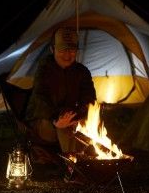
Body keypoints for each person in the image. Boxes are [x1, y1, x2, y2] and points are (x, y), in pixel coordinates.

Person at [25, 27, 96, 162]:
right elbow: (40, 98)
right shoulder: (45, 68)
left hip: (71, 118)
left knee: (77, 122)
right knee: (65, 125)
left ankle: (88, 161)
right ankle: (73, 166)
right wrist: (56, 118)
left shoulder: (82, 72)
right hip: (45, 121)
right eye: (62, 50)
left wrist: (78, 115)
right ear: (52, 49)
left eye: (72, 50)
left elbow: (89, 98)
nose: (67, 55)